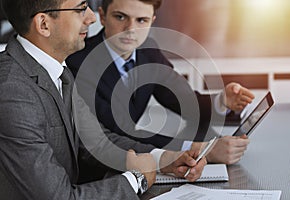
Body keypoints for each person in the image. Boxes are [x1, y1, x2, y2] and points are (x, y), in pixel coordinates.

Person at [0, 0, 207, 199]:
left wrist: (163, 159)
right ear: (44, 24)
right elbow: (59, 196)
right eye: (81, 8)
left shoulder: (57, 71)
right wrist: (136, 180)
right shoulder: (13, 92)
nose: (91, 18)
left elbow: (96, 142)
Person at [66, 0, 255, 165]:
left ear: (152, 22)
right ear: (102, 16)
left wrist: (222, 102)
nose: (131, 29)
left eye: (141, 20)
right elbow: (119, 135)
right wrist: (200, 150)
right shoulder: (78, 64)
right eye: (121, 17)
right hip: (100, 170)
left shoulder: (148, 51)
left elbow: (183, 101)